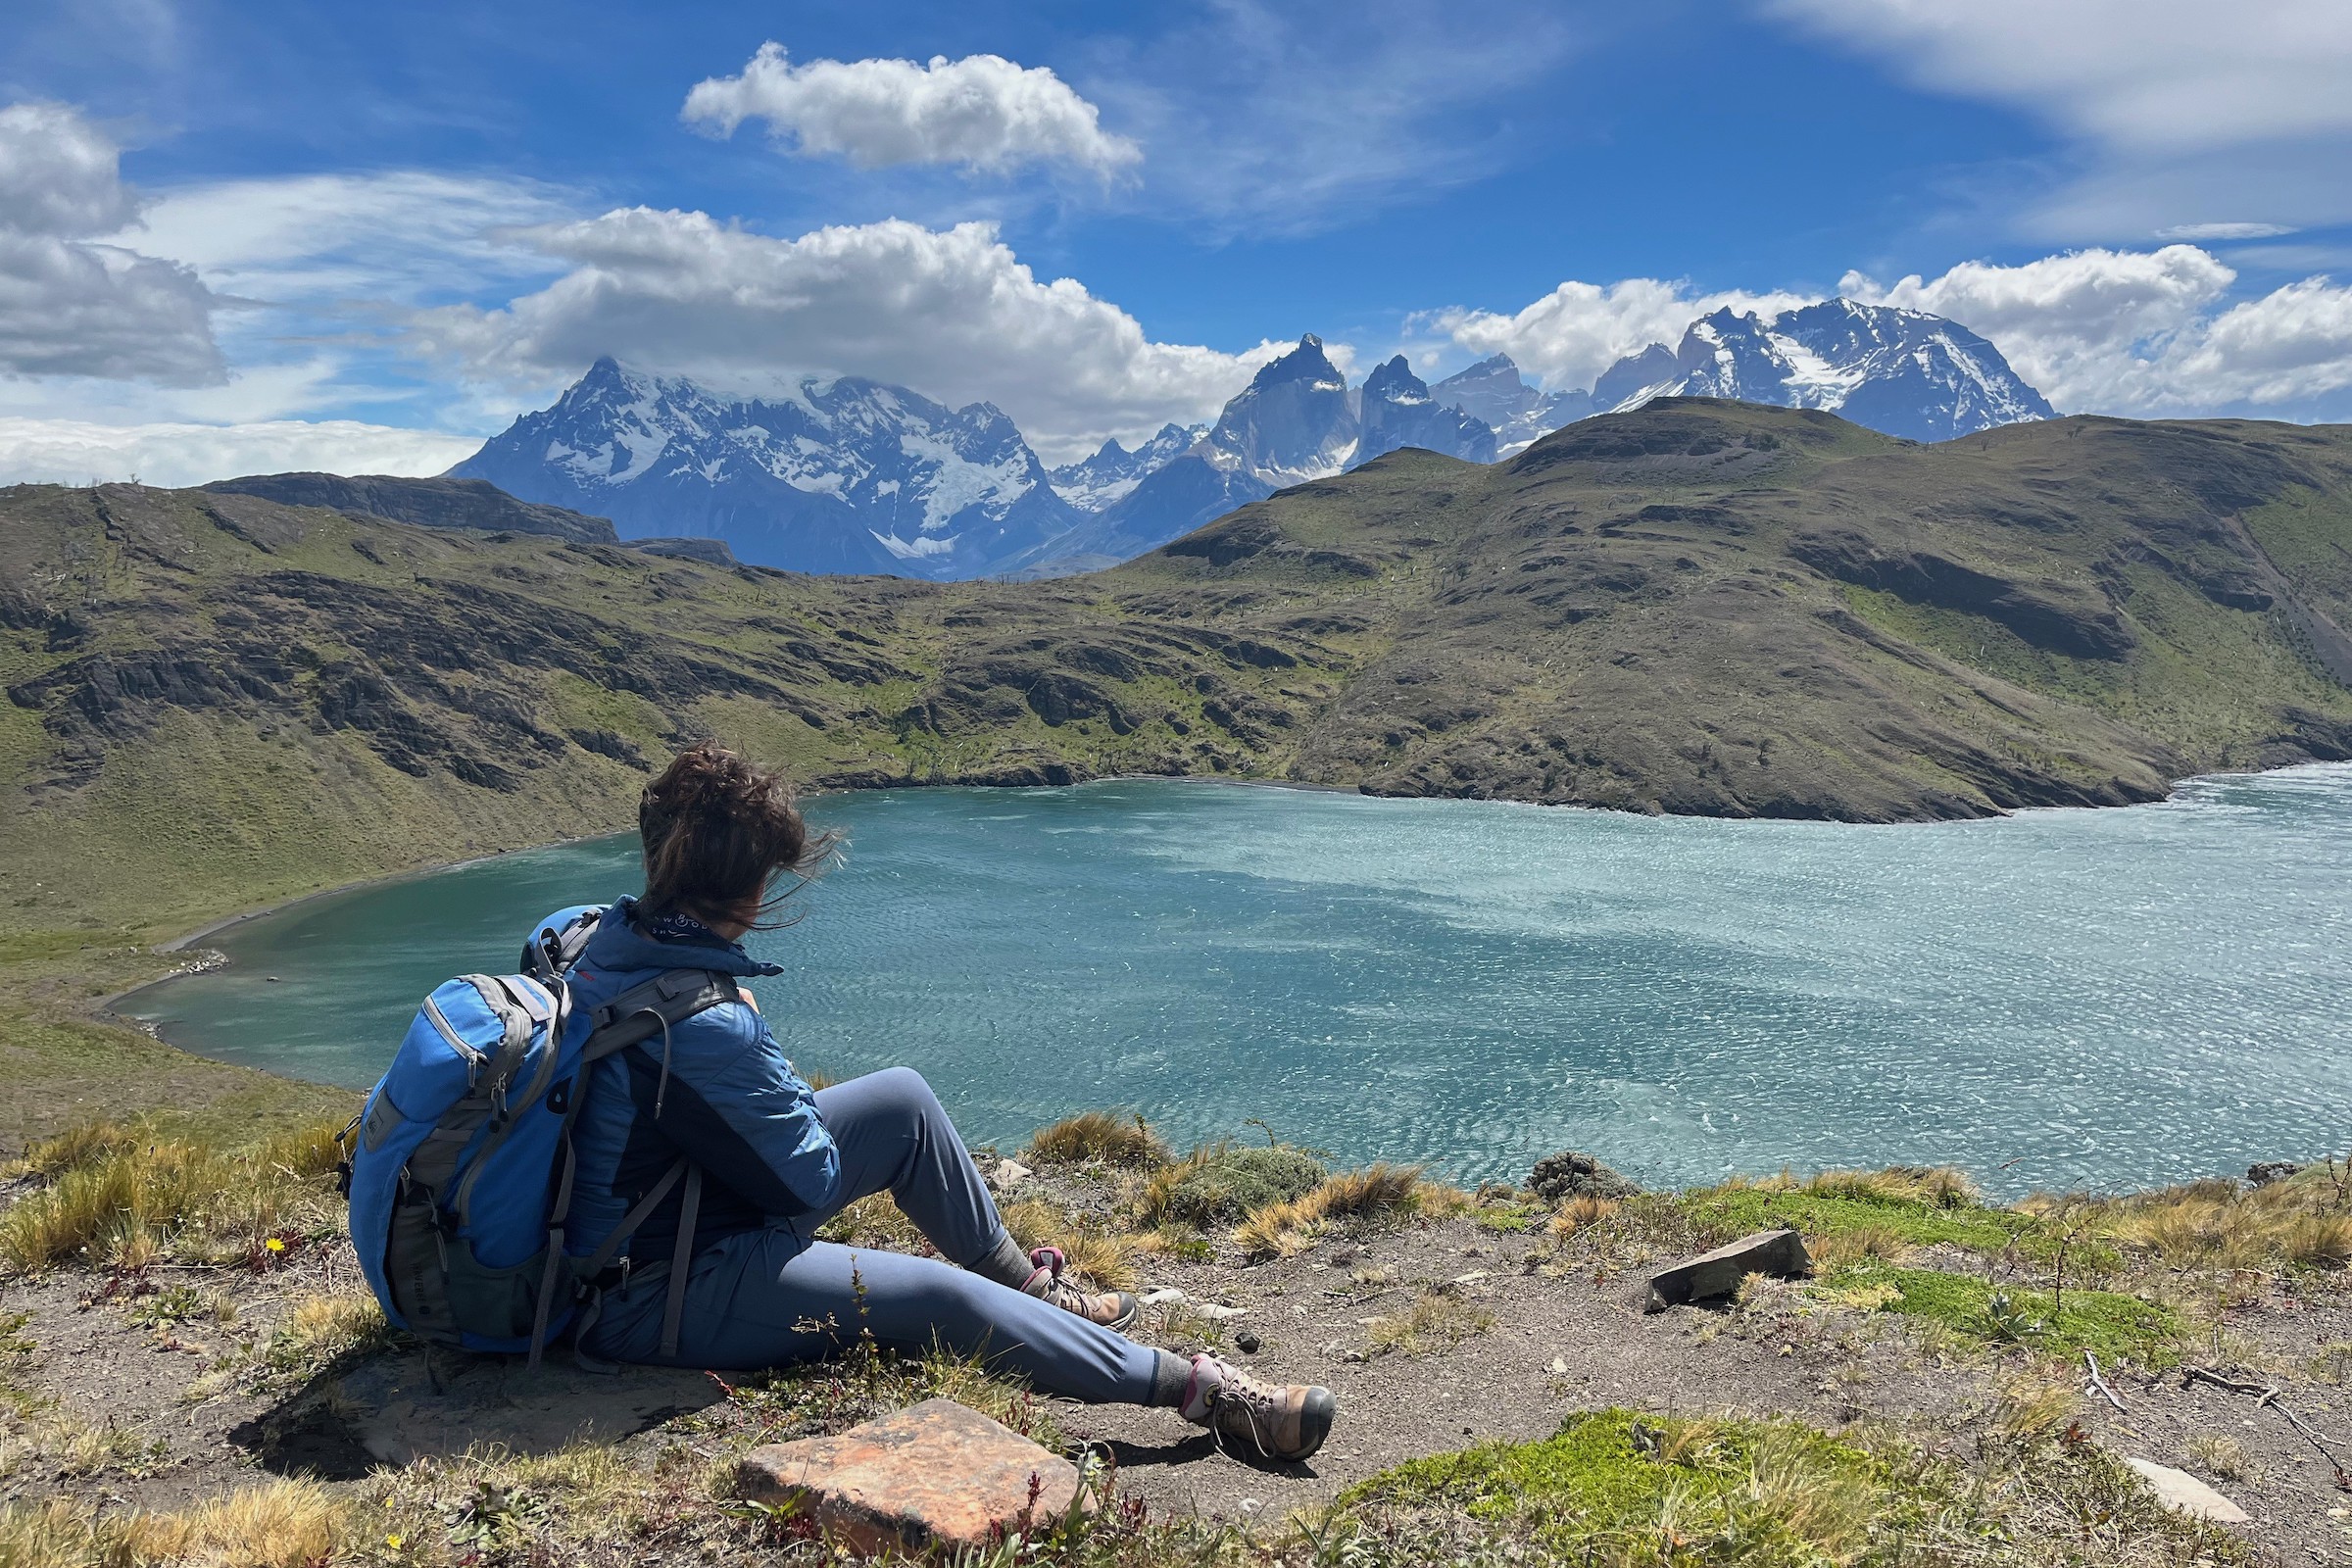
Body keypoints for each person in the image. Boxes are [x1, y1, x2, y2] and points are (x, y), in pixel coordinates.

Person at [537, 742, 1336, 1462]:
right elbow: (807, 1181)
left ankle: (1032, 1290)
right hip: (648, 1294)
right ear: (746, 888)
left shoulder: (581, 938)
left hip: (638, 1223)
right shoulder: (706, 1020)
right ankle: (1198, 1390)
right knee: (941, 1298)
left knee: (901, 1103)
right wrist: (752, 1034)